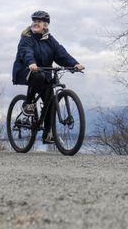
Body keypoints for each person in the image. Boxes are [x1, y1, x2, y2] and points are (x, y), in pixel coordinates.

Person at [12, 10, 84, 143]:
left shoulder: (50, 40)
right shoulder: (26, 38)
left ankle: (47, 134)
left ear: (45, 25)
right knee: (37, 76)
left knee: (50, 101)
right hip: (25, 70)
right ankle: (28, 103)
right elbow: (26, 52)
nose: (35, 24)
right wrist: (31, 63)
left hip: (44, 72)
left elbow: (61, 54)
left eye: (38, 22)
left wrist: (74, 64)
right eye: (34, 21)